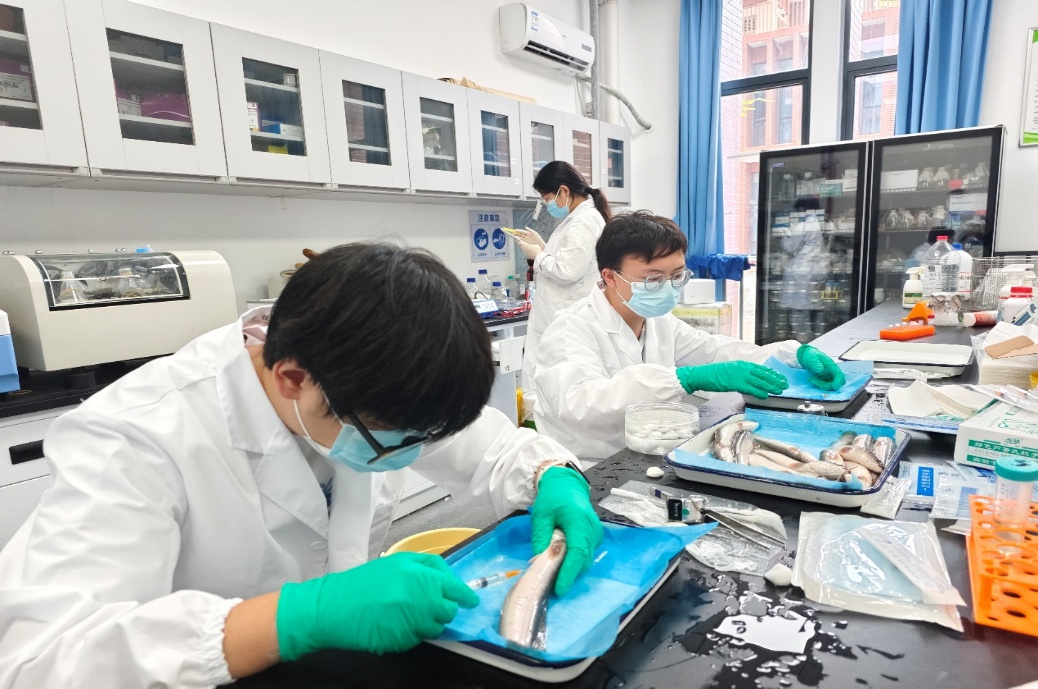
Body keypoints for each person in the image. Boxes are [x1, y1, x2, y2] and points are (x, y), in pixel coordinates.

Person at [0, 243, 603, 687]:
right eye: (395, 439)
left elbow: (486, 446)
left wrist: (552, 475)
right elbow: (40, 659)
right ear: (291, 377)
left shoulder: (367, 379)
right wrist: (292, 618)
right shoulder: (137, 436)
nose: (414, 451)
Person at [533, 212, 844, 458]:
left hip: (647, 449)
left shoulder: (657, 320)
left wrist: (792, 355)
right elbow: (582, 406)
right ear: (610, 277)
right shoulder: (570, 329)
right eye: (654, 279)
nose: (669, 287)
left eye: (677, 275)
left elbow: (714, 350)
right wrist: (682, 379)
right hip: (586, 466)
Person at [514, 161, 611, 409]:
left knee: (558, 395)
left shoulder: (584, 221)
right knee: (550, 391)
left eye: (547, 198)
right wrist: (542, 246)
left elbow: (568, 271)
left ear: (564, 191)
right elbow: (569, 261)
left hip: (566, 319)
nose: (546, 205)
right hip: (559, 316)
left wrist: (538, 255)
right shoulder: (576, 219)